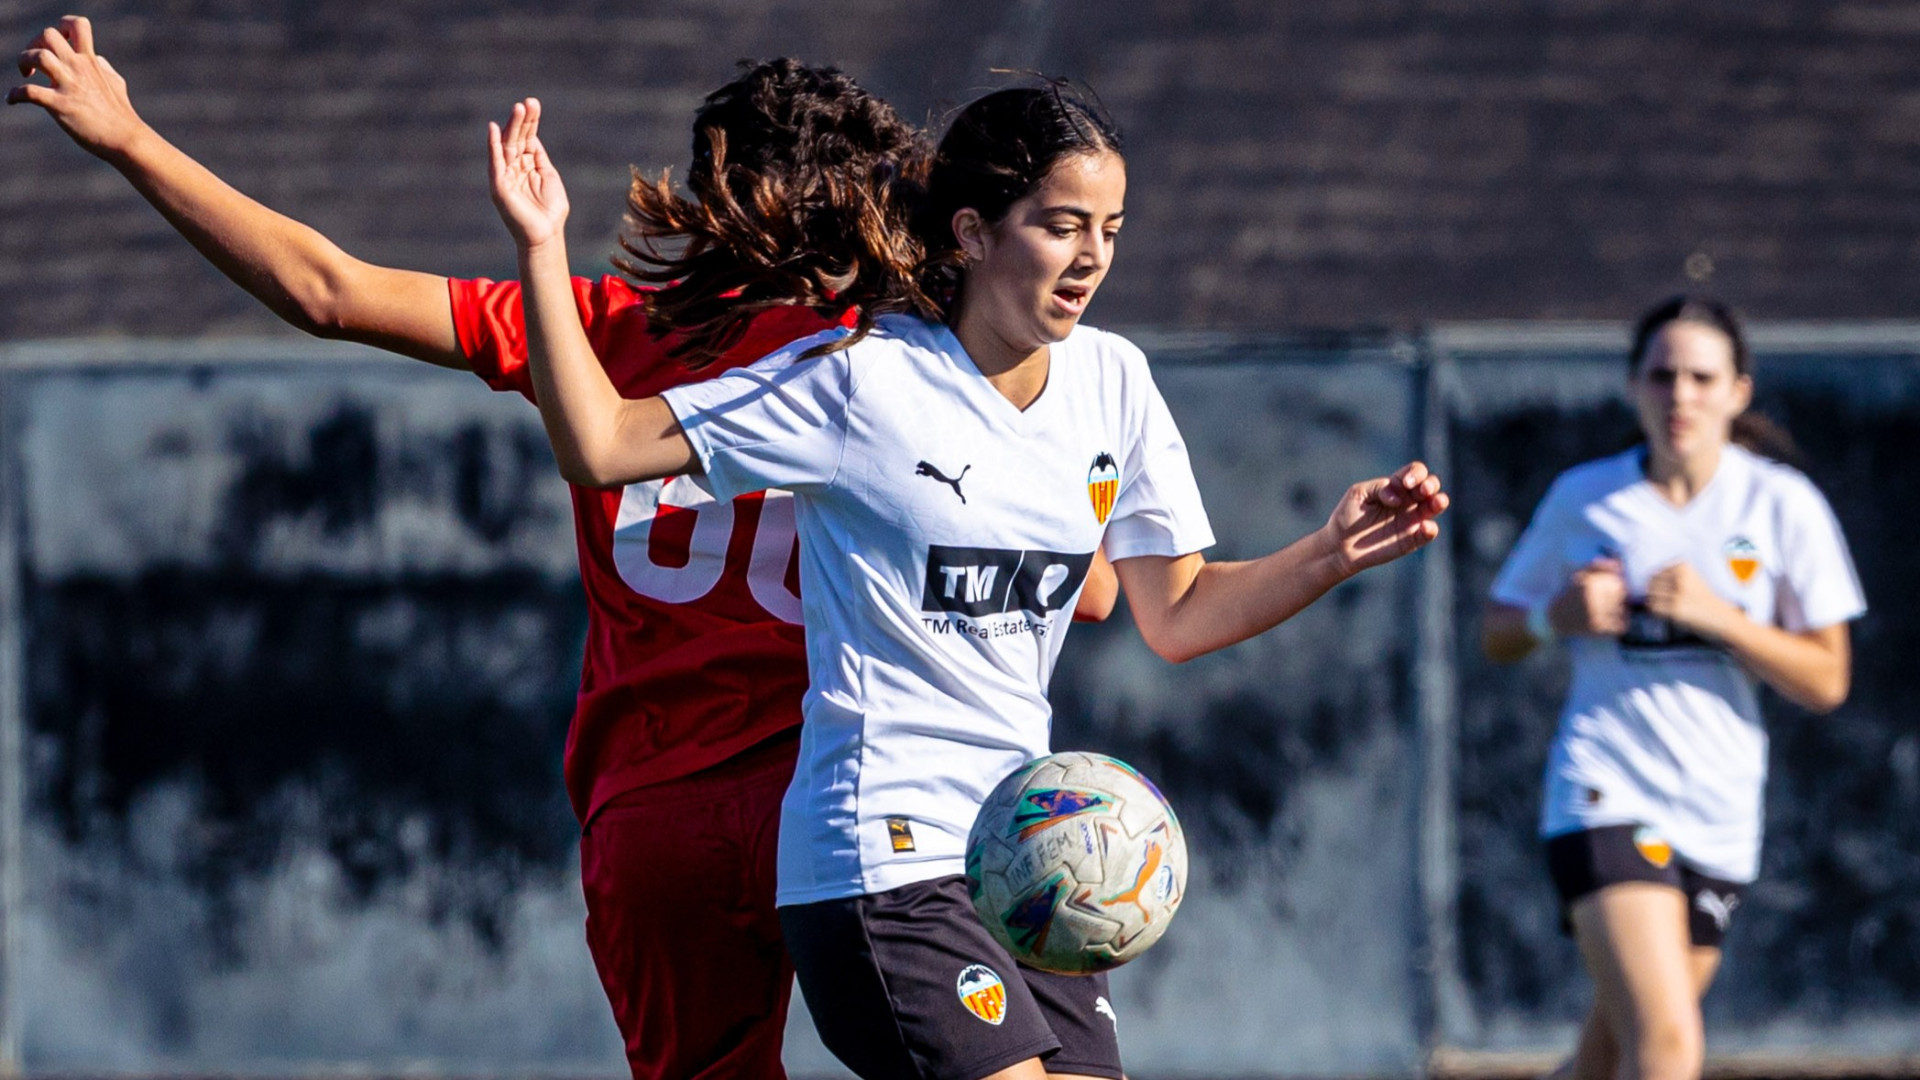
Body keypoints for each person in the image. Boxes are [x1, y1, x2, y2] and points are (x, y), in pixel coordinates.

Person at [10, 18, 1115, 1079]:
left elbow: (327, 289)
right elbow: (1086, 583)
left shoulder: (596, 331)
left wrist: (130, 138)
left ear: (717, 197)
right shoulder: (893, 361)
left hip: (659, 816)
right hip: (847, 805)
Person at [488, 80, 1449, 1080]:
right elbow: (602, 443)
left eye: (1111, 230)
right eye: (1062, 226)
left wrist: (1331, 550)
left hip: (1021, 859)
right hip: (878, 857)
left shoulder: (1113, 381)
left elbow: (1178, 615)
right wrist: (542, 248)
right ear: (973, 232)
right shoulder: (859, 377)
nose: (1093, 256)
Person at [1480, 296, 1865, 1080]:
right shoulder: (1586, 497)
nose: (1679, 395)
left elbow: (1827, 679)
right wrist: (1556, 617)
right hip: (1607, 790)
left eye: (1701, 377)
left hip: (1719, 812)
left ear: (1738, 391)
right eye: (1661, 376)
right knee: (1669, 1043)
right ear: (1632, 386)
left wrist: (1721, 617)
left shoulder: (1781, 504)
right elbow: (1498, 631)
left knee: (1609, 1054)